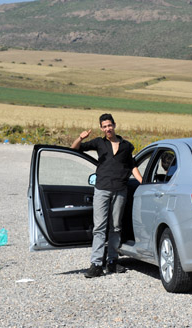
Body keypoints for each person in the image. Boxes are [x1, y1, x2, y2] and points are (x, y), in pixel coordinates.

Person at [71, 113, 143, 278]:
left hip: (120, 190)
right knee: (99, 228)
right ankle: (96, 264)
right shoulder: (98, 143)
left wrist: (142, 182)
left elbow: (132, 166)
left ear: (114, 125)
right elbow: (75, 149)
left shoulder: (126, 146)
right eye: (104, 127)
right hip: (102, 189)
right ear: (101, 128)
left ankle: (112, 261)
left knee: (116, 227)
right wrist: (80, 138)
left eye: (109, 125)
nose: (107, 129)